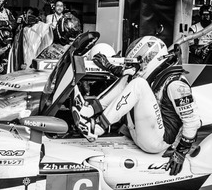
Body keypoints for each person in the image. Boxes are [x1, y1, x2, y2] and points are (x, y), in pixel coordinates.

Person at [72, 36, 202, 176]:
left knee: (138, 83)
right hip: (141, 133)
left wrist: (181, 153)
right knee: (131, 79)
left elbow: (193, 122)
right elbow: (129, 76)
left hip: (158, 141)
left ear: (150, 58)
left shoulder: (176, 83)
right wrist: (111, 67)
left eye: (139, 63)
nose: (137, 68)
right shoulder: (159, 74)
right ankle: (87, 111)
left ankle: (96, 128)